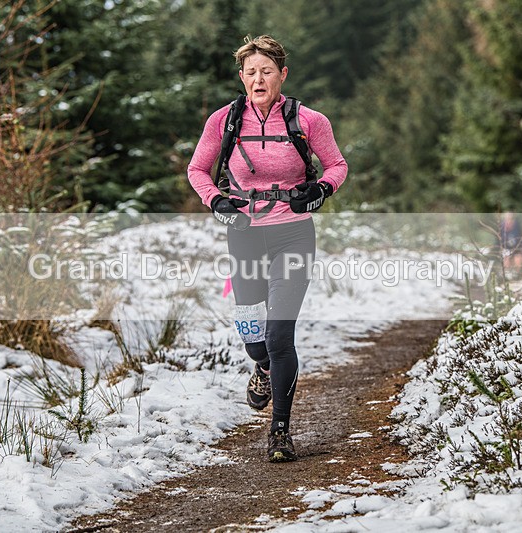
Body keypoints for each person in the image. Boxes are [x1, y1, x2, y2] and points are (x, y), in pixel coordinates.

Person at [187, 35, 348, 462]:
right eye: (251, 72)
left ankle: (280, 431)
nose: (259, 80)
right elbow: (197, 169)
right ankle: (259, 365)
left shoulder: (308, 120)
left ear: (282, 75)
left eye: (267, 71)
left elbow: (337, 165)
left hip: (293, 233)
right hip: (244, 232)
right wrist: (216, 201)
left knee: (279, 335)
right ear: (242, 77)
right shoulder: (224, 121)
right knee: (253, 337)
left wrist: (320, 190)